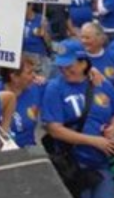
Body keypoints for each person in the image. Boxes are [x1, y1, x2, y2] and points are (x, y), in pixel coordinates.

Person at [42, 42, 114, 198]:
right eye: (61, 67)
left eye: (69, 66)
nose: (64, 71)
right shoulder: (55, 88)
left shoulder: (102, 83)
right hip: (73, 165)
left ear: (83, 63)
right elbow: (55, 130)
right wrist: (94, 141)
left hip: (102, 163)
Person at [0, 56, 44, 147]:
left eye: (34, 72)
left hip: (29, 149)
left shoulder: (36, 88)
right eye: (29, 73)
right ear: (14, 77)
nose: (34, 76)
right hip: (3, 153)